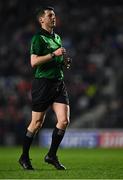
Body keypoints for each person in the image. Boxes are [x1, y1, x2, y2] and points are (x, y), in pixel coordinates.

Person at [19, 6, 71, 170]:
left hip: (58, 83)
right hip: (43, 84)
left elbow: (57, 58)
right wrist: (53, 55)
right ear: (42, 19)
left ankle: (51, 155)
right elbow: (34, 62)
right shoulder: (38, 38)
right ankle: (24, 157)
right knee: (36, 123)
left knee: (64, 121)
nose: (53, 17)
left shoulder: (57, 37)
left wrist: (63, 62)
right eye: (50, 15)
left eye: (54, 15)